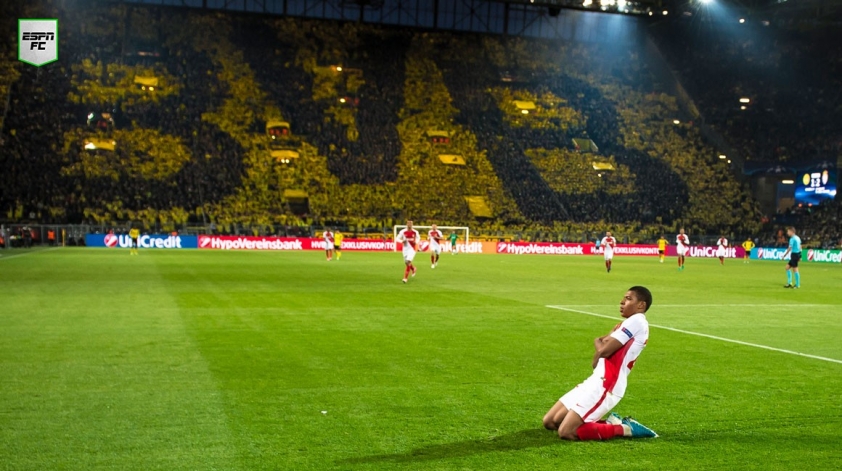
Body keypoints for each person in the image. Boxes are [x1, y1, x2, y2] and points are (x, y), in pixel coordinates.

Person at [542, 286, 658, 441]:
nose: (622, 302)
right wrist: (601, 346)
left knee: (567, 432)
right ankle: (610, 423)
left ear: (641, 305)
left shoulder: (637, 321)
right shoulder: (627, 323)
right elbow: (599, 354)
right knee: (551, 421)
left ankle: (625, 428)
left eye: (628, 299)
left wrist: (598, 343)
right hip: (596, 380)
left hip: (608, 385)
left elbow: (603, 350)